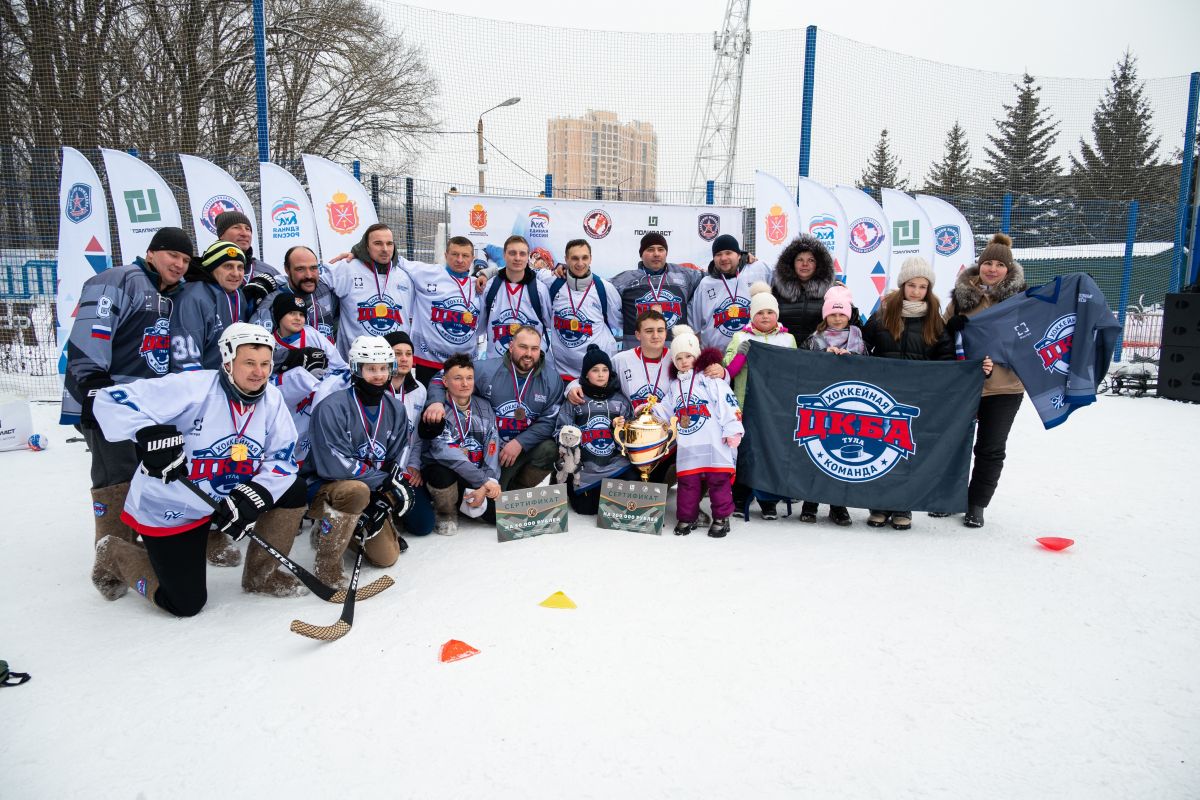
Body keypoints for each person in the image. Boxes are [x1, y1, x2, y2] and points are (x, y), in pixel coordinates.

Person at [90, 323, 309, 616]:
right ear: (228, 362)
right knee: (185, 603)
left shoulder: (272, 398)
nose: (259, 372)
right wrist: (145, 432)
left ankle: (262, 575)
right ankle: (113, 552)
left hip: (220, 502)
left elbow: (282, 458)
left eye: (266, 364)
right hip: (174, 506)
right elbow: (109, 400)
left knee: (293, 490)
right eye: (249, 363)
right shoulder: (193, 387)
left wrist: (255, 494)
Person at [62, 226, 193, 596]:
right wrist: (93, 391)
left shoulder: (165, 293)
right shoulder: (120, 279)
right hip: (106, 400)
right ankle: (109, 566)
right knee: (114, 477)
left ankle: (133, 549)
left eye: (185, 260)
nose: (179, 265)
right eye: (173, 256)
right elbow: (92, 333)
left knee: (142, 473)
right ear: (151, 253)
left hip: (140, 404)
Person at [302, 336, 418, 586]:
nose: (378, 375)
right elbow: (335, 465)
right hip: (328, 488)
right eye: (370, 368)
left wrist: (385, 493)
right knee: (356, 490)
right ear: (356, 369)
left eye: (383, 368)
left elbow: (394, 457)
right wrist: (384, 483)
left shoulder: (396, 409)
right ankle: (327, 560)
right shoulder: (331, 407)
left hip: (369, 489)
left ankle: (350, 528)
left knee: (387, 557)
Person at [861, 256, 955, 531]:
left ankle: (903, 506)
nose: (916, 291)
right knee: (879, 449)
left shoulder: (935, 322)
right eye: (911, 285)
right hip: (882, 396)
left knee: (906, 452)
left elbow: (946, 360)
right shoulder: (882, 315)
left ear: (929, 289)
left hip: (916, 397)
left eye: (922, 286)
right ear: (902, 286)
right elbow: (862, 347)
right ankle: (878, 505)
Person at [944, 233, 1024, 529]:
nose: (992, 269)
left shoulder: (1022, 300)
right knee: (953, 443)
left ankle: (976, 504)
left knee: (990, 448)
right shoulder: (961, 298)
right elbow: (941, 341)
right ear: (979, 266)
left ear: (1008, 269)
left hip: (1006, 386)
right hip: (965, 385)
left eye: (999, 265)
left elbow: (1031, 339)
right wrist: (950, 329)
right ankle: (947, 497)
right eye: (987, 263)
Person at [424, 325, 562, 490]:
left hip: (520, 449)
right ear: (511, 347)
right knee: (491, 506)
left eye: (534, 349)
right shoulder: (486, 370)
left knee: (550, 449)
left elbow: (549, 421)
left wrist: (520, 442)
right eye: (523, 347)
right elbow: (441, 378)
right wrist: (436, 401)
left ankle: (517, 490)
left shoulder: (552, 380)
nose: (528, 354)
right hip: (489, 451)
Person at [652, 326, 744, 538]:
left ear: (697, 355)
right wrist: (649, 411)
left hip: (714, 443)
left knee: (718, 482)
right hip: (690, 445)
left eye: (688, 356)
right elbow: (665, 408)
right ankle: (687, 517)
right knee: (687, 483)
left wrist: (733, 429)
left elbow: (728, 404)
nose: (684, 361)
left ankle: (721, 517)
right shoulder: (675, 386)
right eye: (679, 358)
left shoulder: (710, 379)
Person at [723, 281, 797, 519]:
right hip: (746, 404)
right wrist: (741, 353)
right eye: (760, 313)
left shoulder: (788, 339)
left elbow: (796, 372)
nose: (765, 317)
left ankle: (768, 500)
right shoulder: (740, 336)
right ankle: (740, 495)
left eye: (770, 312)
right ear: (752, 316)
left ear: (777, 314)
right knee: (745, 452)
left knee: (769, 451)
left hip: (775, 407)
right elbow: (727, 371)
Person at [799, 286, 864, 526]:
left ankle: (838, 505)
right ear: (825, 315)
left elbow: (869, 365)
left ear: (848, 314)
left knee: (841, 454)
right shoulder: (814, 338)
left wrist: (852, 359)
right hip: (822, 405)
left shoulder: (857, 336)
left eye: (842, 313)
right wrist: (824, 356)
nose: (837, 318)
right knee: (817, 452)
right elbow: (801, 365)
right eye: (833, 314)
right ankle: (810, 502)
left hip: (849, 406)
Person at [418, 354, 502, 535]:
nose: (465, 384)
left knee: (498, 516)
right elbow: (444, 451)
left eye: (469, 378)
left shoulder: (485, 407)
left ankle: (467, 500)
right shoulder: (436, 411)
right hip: (449, 472)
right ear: (445, 382)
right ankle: (445, 512)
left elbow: (492, 446)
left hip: (476, 475)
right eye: (458, 378)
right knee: (440, 473)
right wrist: (483, 481)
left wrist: (489, 481)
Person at [553, 345, 636, 514]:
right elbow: (559, 430)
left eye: (605, 370)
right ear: (586, 374)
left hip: (615, 465)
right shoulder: (576, 400)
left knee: (627, 503)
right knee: (587, 509)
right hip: (585, 467)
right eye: (595, 370)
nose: (600, 374)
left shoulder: (620, 401)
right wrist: (569, 437)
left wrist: (621, 428)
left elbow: (630, 437)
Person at [267, 292, 347, 464]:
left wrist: (324, 380)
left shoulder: (312, 334)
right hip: (289, 409)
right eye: (292, 313)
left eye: (302, 314)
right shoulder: (268, 343)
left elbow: (340, 367)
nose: (298, 318)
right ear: (279, 315)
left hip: (315, 404)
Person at [392, 236, 483, 386]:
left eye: (465, 255)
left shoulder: (478, 285)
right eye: (454, 254)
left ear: (472, 258)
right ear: (446, 255)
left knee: (458, 408)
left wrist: (486, 273)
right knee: (429, 408)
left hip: (464, 366)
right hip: (429, 362)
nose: (459, 260)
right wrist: (358, 254)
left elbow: (506, 272)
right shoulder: (426, 272)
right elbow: (393, 257)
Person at [325, 223, 414, 360]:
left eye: (389, 244)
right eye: (378, 243)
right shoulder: (347, 268)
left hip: (394, 362)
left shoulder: (405, 276)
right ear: (366, 247)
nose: (385, 249)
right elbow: (312, 279)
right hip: (354, 362)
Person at [383, 331, 436, 542]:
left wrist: (414, 465)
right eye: (397, 353)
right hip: (379, 471)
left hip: (405, 470)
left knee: (423, 526)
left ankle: (397, 506)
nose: (404, 359)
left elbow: (417, 437)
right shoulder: (375, 388)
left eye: (408, 353)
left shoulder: (419, 390)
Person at [544, 239, 622, 382]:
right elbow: (528, 272)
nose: (580, 263)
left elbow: (618, 323)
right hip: (563, 371)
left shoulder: (604, 288)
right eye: (574, 258)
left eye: (584, 257)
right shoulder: (552, 283)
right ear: (566, 259)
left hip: (598, 373)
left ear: (591, 258)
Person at [171, 240, 252, 372]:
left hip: (231, 380)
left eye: (240, 267)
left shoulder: (238, 294)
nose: (236, 273)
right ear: (212, 268)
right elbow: (185, 363)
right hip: (205, 385)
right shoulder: (192, 297)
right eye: (228, 266)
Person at [611, 232, 703, 347]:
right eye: (650, 249)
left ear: (666, 253)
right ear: (641, 254)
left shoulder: (684, 275)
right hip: (636, 354)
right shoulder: (624, 281)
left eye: (661, 249)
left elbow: (713, 278)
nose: (656, 254)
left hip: (675, 355)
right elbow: (596, 289)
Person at [689, 234, 771, 351]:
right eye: (718, 254)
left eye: (728, 253)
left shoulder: (758, 269)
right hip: (718, 360)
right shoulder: (705, 284)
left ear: (738, 255)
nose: (723, 258)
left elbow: (785, 278)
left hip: (753, 355)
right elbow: (694, 326)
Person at [477, 235, 552, 359]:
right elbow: (479, 328)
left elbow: (550, 325)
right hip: (498, 363)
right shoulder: (490, 287)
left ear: (528, 257)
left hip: (531, 366)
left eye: (522, 254)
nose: (517, 258)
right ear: (504, 255)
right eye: (512, 253)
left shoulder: (539, 290)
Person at [250, 245, 340, 345]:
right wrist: (292, 356)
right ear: (287, 270)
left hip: (330, 359)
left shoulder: (327, 289)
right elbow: (256, 347)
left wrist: (355, 254)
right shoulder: (271, 303)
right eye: (300, 269)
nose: (309, 275)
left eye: (313, 268)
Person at [771, 235, 854, 343]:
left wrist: (850, 305)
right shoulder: (777, 290)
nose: (805, 264)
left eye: (811, 260)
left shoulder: (833, 291)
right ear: (791, 263)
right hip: (785, 352)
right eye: (800, 259)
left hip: (819, 354)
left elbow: (851, 326)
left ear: (819, 264)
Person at [214, 210, 280, 284]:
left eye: (247, 229)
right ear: (221, 235)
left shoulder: (269, 272)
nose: (245, 234)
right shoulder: (208, 271)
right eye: (236, 227)